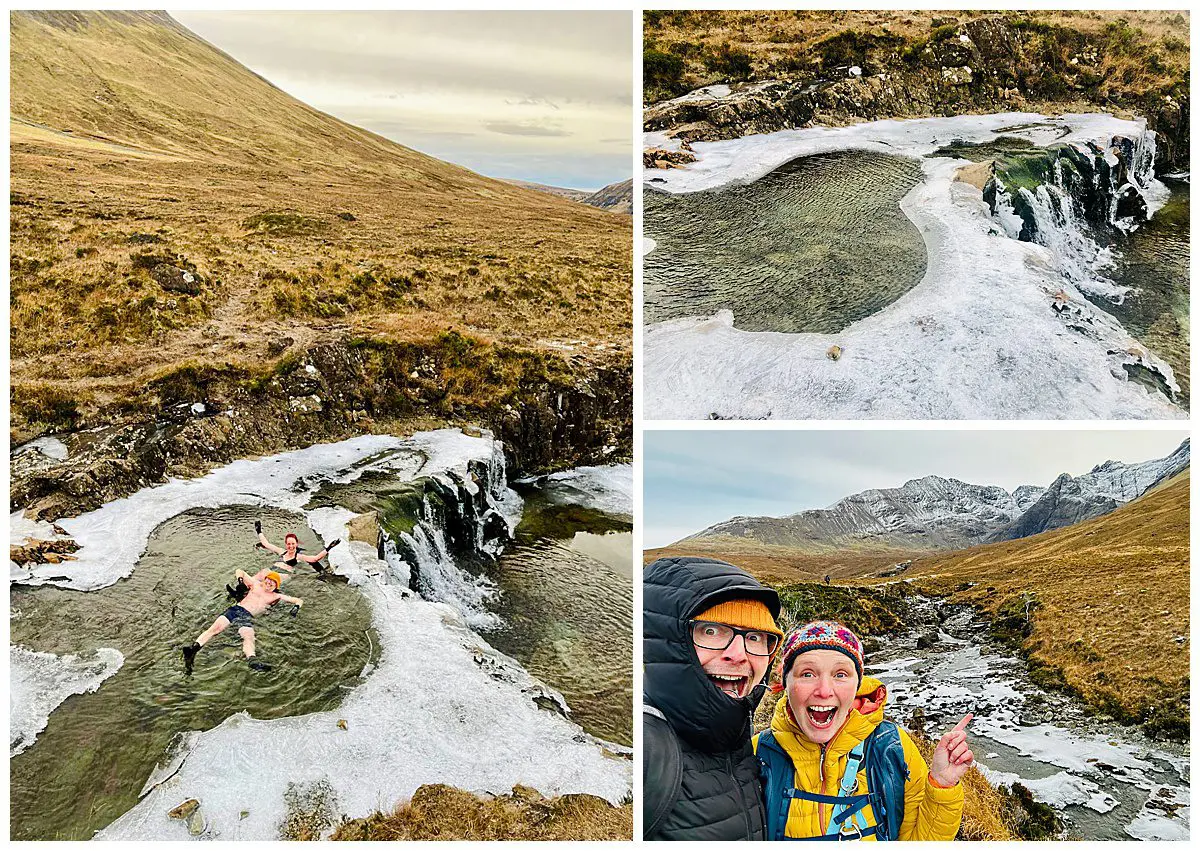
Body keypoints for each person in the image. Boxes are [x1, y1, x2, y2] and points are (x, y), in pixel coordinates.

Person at [754, 621, 971, 840]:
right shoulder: (755, 755)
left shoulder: (892, 747)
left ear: (858, 684)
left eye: (840, 674)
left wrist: (941, 785)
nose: (824, 691)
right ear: (785, 682)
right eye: (807, 674)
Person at [643, 556, 784, 840]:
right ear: (668, 641)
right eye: (711, 631)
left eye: (756, 637)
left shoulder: (742, 738)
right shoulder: (649, 747)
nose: (739, 654)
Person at [182, 569, 303, 673]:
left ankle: (252, 660)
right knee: (214, 629)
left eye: (273, 583)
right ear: (264, 580)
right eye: (269, 580)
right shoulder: (256, 585)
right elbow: (239, 571)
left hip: (246, 616)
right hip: (235, 609)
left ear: (276, 587)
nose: (270, 583)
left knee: (248, 636)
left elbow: (298, 600)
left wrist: (296, 607)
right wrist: (240, 581)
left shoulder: (276, 596)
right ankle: (193, 649)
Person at [228, 522, 340, 601]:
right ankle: (240, 592)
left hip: (281, 575)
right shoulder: (281, 551)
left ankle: (249, 595)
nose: (291, 546)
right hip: (270, 571)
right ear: (286, 544)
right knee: (257, 576)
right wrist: (259, 531)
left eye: (293, 544)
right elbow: (267, 544)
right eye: (289, 544)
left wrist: (329, 548)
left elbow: (315, 559)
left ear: (296, 544)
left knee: (264, 586)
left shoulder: (299, 556)